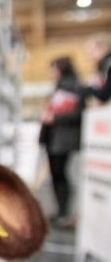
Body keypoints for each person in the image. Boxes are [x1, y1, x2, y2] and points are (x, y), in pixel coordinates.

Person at [39, 56, 85, 228]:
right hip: (54, 138)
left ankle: (65, 212)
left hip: (62, 140)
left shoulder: (73, 87)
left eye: (53, 68)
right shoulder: (60, 87)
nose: (52, 72)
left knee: (61, 174)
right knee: (57, 175)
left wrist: (54, 117)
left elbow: (76, 114)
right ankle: (61, 211)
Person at [84, 34, 111, 103]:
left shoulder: (108, 64)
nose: (89, 54)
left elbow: (104, 95)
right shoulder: (103, 65)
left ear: (103, 48)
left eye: (92, 50)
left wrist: (89, 87)